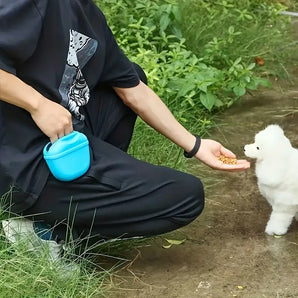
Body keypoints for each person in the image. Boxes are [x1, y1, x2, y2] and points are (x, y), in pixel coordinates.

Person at [0, 0, 250, 248]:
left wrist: (196, 145)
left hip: (65, 142)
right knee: (186, 197)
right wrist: (37, 104)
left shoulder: (90, 16)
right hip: (23, 163)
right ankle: (46, 231)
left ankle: (77, 205)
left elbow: (133, 90)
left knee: (131, 74)